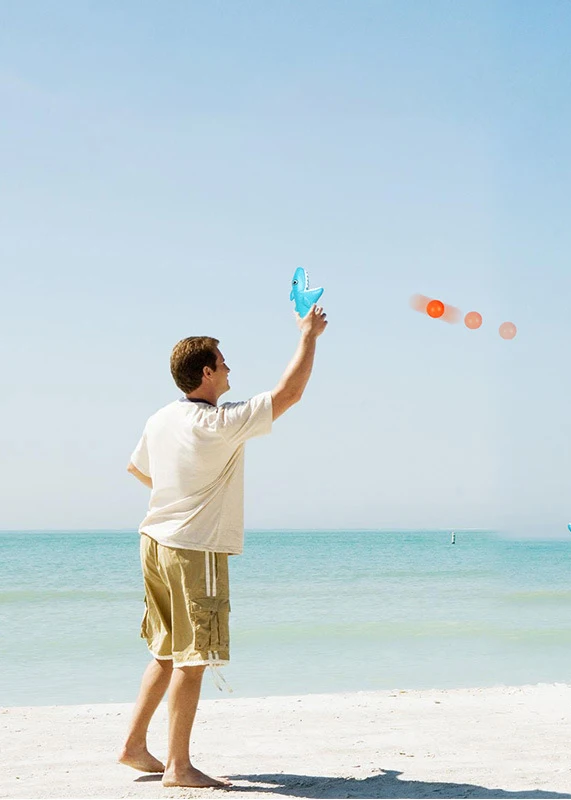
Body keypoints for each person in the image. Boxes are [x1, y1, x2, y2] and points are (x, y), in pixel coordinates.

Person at [118, 305, 328, 788]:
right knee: (193, 658)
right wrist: (308, 335)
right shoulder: (217, 423)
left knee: (165, 653)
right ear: (207, 372)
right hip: (195, 549)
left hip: (154, 542)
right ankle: (178, 767)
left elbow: (136, 469)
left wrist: (178, 493)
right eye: (224, 361)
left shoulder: (160, 418)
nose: (231, 368)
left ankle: (133, 746)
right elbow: (289, 394)